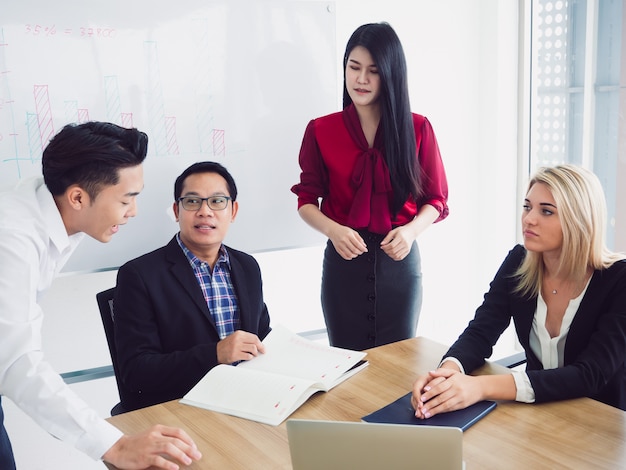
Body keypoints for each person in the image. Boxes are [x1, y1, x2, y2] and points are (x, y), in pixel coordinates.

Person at [0, 122, 202, 470]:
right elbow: (18, 363)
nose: (134, 211)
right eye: (126, 199)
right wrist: (114, 445)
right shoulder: (12, 240)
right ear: (78, 197)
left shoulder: (51, 207)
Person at [411, 164, 626, 418]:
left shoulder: (618, 280)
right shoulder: (519, 262)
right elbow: (480, 332)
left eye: (546, 211)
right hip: (537, 416)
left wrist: (479, 387)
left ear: (579, 220)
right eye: (527, 207)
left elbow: (591, 374)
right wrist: (447, 374)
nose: (529, 219)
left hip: (601, 425)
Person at [291, 22, 449, 351]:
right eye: (354, 67)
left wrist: (410, 232)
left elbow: (435, 200)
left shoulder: (418, 128)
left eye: (373, 71)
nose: (361, 79)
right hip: (343, 262)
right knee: (345, 368)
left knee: (399, 366)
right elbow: (306, 201)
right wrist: (334, 231)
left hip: (399, 261)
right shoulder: (321, 130)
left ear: (390, 74)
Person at [113, 161, 271, 412]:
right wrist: (215, 354)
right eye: (192, 201)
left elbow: (262, 335)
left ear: (233, 210)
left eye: (217, 201)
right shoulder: (139, 275)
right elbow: (137, 372)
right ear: (177, 210)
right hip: (182, 409)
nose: (205, 211)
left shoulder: (247, 266)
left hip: (246, 401)